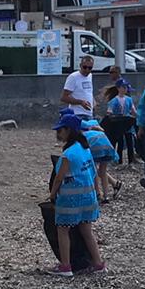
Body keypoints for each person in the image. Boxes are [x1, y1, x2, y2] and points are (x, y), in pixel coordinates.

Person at [46, 113, 106, 278]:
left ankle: (66, 266)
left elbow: (59, 178)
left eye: (61, 130)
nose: (58, 133)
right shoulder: (85, 148)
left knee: (62, 229)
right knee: (87, 231)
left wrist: (52, 195)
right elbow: (93, 172)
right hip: (89, 198)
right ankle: (98, 263)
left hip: (71, 199)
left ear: (68, 131)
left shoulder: (68, 155)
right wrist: (97, 191)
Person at [79, 113, 121, 202]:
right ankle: (106, 196)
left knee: (93, 171)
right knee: (103, 171)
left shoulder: (83, 135)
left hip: (96, 150)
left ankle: (98, 194)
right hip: (107, 149)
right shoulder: (97, 129)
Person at [103, 78, 139, 164]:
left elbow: (133, 110)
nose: (125, 89)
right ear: (119, 88)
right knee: (120, 142)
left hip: (127, 122)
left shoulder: (129, 99)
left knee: (130, 141)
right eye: (124, 87)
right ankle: (119, 160)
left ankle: (131, 160)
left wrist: (138, 117)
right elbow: (109, 112)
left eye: (126, 87)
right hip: (118, 123)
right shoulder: (114, 100)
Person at [61, 53, 95, 117]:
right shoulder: (73, 77)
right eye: (84, 67)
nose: (87, 70)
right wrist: (81, 102)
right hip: (77, 114)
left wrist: (93, 101)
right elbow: (64, 97)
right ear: (80, 65)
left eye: (90, 68)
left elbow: (87, 91)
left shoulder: (90, 76)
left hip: (89, 113)